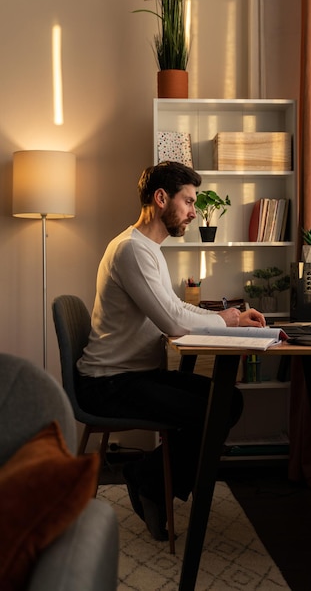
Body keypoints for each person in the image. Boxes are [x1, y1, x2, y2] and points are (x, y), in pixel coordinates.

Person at [77, 161, 266, 541]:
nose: (195, 212)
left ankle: (148, 478)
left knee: (229, 401)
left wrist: (226, 315)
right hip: (109, 384)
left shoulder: (146, 249)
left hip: (132, 374)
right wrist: (227, 321)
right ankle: (148, 480)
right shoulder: (131, 250)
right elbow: (173, 321)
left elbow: (174, 307)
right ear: (161, 198)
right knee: (219, 408)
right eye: (189, 201)